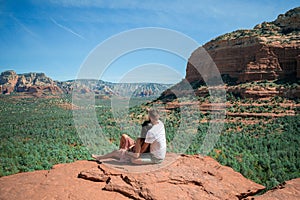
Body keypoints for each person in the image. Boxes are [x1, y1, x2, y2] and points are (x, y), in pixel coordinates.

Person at [92, 109, 166, 165]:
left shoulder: (150, 133)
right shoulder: (160, 123)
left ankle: (103, 157)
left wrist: (127, 152)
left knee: (133, 160)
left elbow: (139, 154)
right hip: (143, 148)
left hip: (155, 158)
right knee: (124, 137)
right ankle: (117, 155)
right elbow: (154, 116)